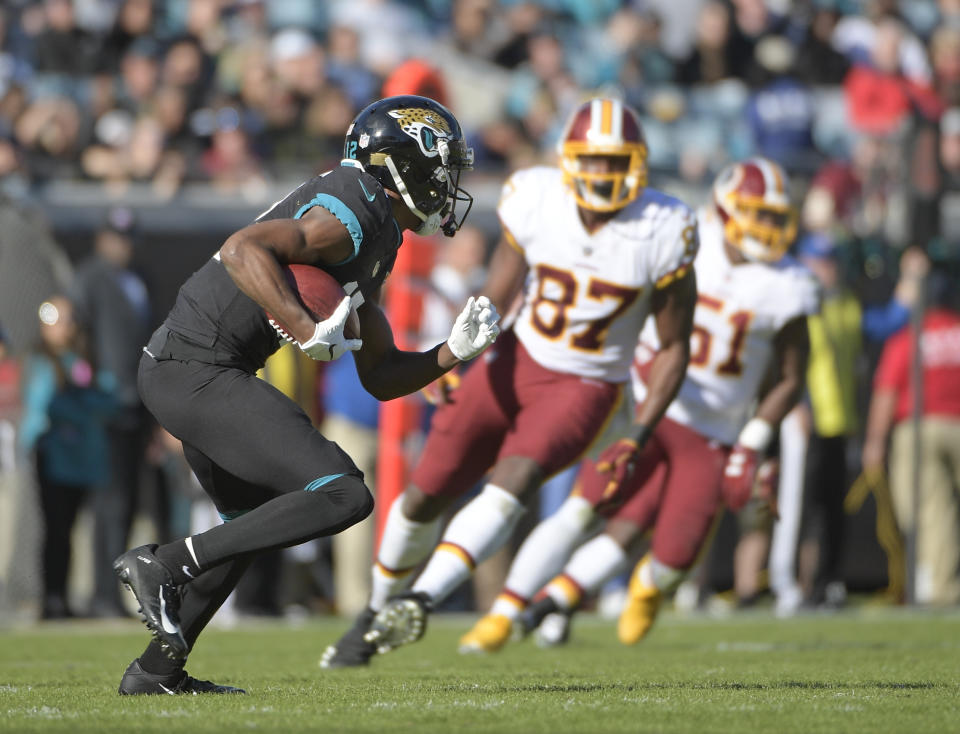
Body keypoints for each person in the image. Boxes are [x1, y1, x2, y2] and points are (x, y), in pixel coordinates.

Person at [110, 94, 500, 696]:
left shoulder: (379, 227)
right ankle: (163, 565)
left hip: (199, 366)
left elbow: (380, 373)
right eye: (438, 170)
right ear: (399, 165)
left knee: (252, 526)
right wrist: (303, 324)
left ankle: (156, 671)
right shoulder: (356, 205)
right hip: (197, 366)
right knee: (343, 493)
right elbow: (243, 249)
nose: (446, 186)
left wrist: (451, 353)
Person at [322, 96, 699, 667]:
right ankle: (377, 610)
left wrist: (639, 432)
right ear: (569, 161)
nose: (602, 174)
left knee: (514, 480)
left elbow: (674, 346)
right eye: (592, 161)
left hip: (587, 383)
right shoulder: (538, 197)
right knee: (424, 493)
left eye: (614, 161)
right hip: (517, 360)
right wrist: (451, 359)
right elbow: (496, 296)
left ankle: (421, 600)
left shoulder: (664, 228)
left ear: (638, 163)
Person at [458, 158, 819, 652]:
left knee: (673, 556)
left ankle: (636, 589)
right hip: (647, 405)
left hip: (713, 432)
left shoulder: (790, 285)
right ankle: (507, 610)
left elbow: (791, 378)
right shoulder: (682, 236)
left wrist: (753, 443)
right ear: (724, 208)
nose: (768, 228)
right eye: (758, 214)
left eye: (777, 217)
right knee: (584, 509)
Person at [69, 205, 155, 618]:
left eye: (129, 238)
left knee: (128, 501)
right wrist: (89, 387)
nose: (124, 246)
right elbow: (76, 334)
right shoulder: (89, 278)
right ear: (102, 238)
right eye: (117, 237)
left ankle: (113, 592)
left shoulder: (139, 279)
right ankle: (101, 594)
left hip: (134, 404)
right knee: (109, 501)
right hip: (104, 403)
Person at [862, 273, 960, 605]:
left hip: (919, 429)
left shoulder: (908, 336)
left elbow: (887, 392)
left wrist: (874, 441)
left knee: (931, 513)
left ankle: (939, 588)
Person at [18, 297, 116, 619]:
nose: (63, 328)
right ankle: (53, 598)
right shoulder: (40, 362)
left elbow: (105, 399)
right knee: (56, 529)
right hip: (52, 457)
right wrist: (83, 405)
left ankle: (63, 596)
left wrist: (85, 403)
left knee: (70, 529)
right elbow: (49, 406)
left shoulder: (81, 360)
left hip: (80, 460)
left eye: (67, 321)